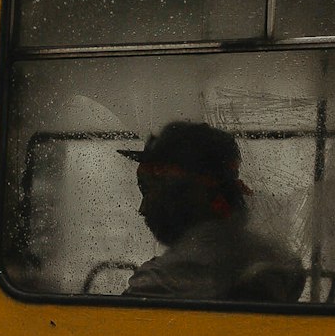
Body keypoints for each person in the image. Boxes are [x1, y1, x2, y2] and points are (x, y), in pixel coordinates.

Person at [121, 121, 305, 303]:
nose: (142, 209)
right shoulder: (280, 261)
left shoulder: (161, 281)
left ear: (182, 193)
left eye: (148, 191)